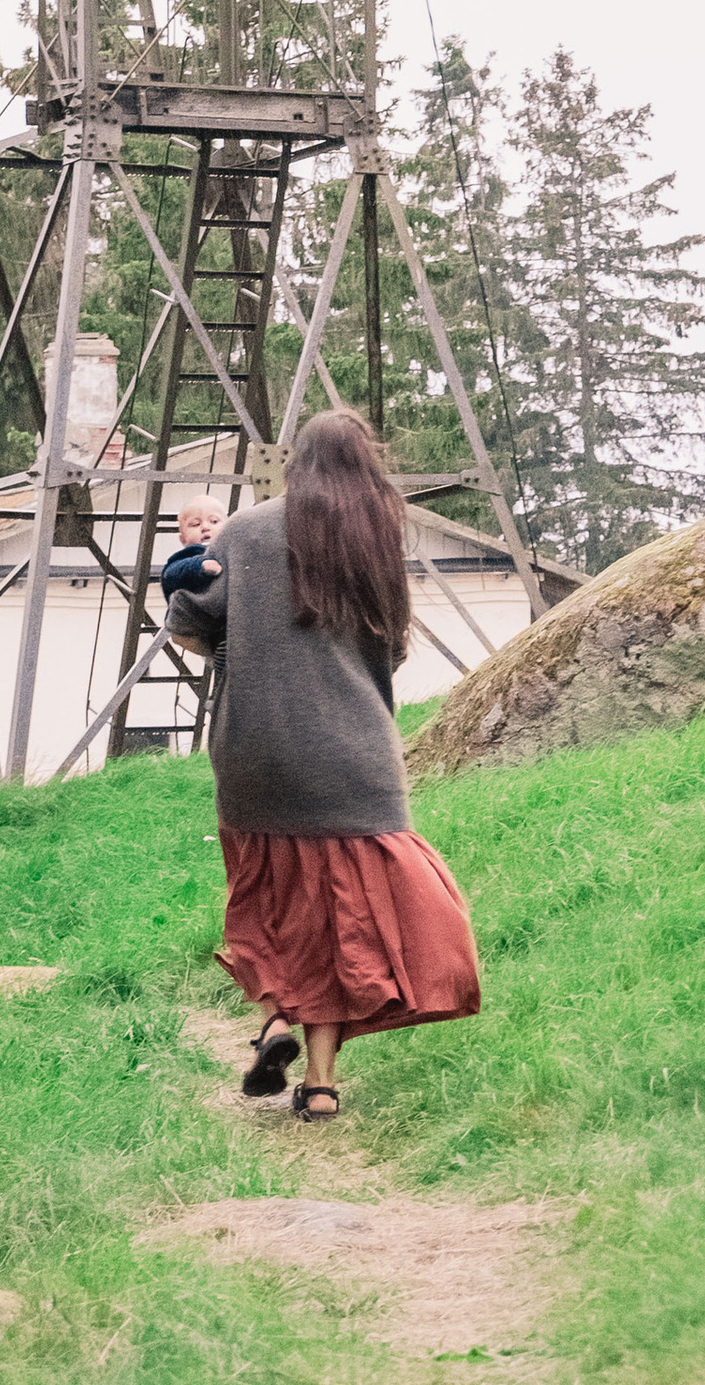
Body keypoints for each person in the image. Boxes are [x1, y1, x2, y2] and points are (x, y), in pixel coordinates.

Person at [163, 406, 481, 1121]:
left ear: (296, 463)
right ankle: (323, 1085)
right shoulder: (374, 540)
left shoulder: (242, 533)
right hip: (352, 755)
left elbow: (188, 623)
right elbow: (393, 650)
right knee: (346, 923)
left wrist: (242, 650)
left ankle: (277, 1015)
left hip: (256, 749)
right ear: (364, 467)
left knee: (272, 900)